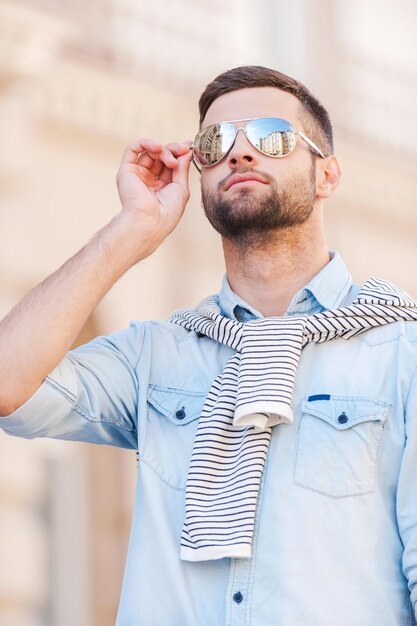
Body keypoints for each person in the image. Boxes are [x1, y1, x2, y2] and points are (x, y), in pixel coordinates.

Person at [0, 65, 416, 626]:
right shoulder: (157, 355)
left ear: (327, 175)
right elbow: (8, 384)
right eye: (216, 143)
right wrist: (132, 231)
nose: (241, 154)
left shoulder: (400, 349)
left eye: (272, 136)